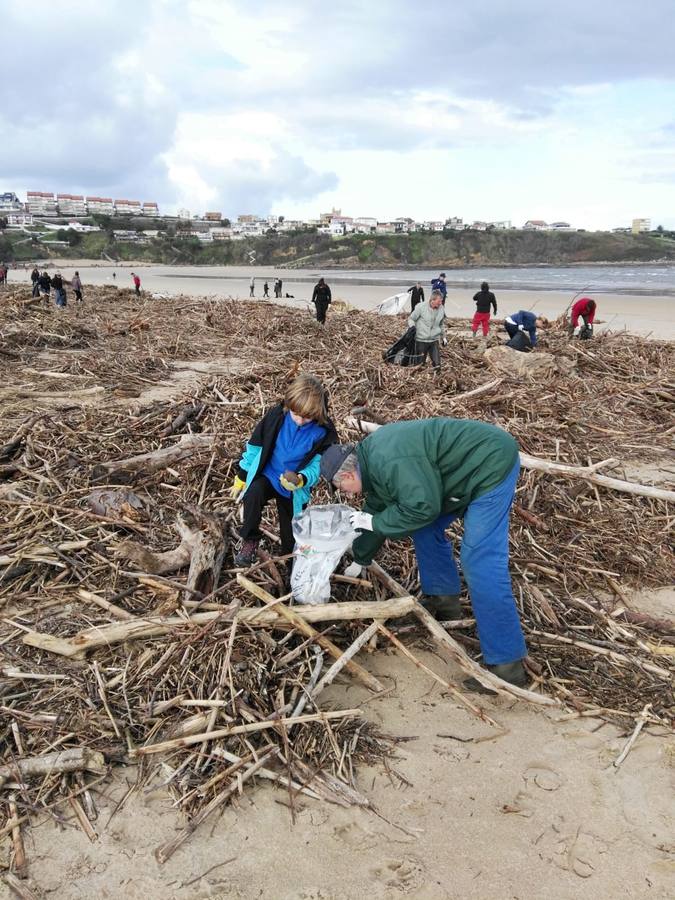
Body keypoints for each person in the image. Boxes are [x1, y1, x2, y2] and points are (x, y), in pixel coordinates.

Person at [320, 418, 528, 689]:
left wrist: (375, 523)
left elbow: (422, 507)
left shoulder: (390, 461)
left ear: (347, 476)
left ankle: (507, 665)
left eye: (341, 489)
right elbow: (377, 508)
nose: (346, 496)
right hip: (456, 475)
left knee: (479, 560)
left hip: (489, 466)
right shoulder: (371, 461)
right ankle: (444, 602)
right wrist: (361, 557)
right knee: (424, 528)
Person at [230, 374, 338, 567]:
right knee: (253, 495)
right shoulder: (276, 417)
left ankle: (290, 560)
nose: (300, 421)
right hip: (268, 475)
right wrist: (243, 475)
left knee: (292, 530)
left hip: (292, 487)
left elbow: (317, 466)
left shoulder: (323, 434)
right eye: (296, 414)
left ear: (317, 412)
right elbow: (255, 446)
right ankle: (250, 540)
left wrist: (301, 479)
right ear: (289, 406)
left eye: (306, 417)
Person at [408, 289, 447, 371]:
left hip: (434, 340)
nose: (441, 303)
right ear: (432, 300)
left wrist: (444, 337)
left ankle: (436, 380)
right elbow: (411, 318)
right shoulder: (421, 307)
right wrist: (412, 327)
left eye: (441, 301)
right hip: (421, 340)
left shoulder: (441, 308)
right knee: (419, 365)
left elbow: (441, 324)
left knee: (437, 365)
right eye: (439, 301)